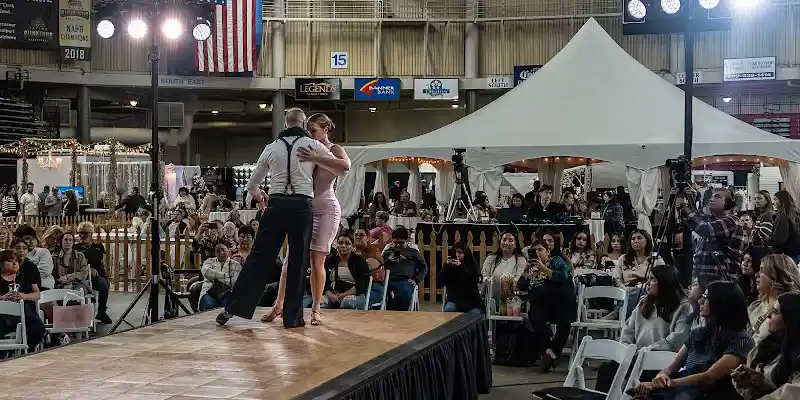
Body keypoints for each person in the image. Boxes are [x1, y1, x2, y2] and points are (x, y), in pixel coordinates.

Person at [216, 108, 344, 329]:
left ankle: (232, 308)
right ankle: (293, 319)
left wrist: (261, 197)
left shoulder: (271, 148)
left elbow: (252, 186)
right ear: (303, 124)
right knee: (298, 262)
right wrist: (316, 159)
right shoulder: (312, 145)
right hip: (302, 207)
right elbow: (341, 168)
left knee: (258, 258)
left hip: (276, 205)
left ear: (285, 124)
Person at [261, 113, 351, 326]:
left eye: (313, 131)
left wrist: (316, 158)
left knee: (317, 259)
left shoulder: (334, 149)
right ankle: (278, 305)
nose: (309, 135)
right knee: (290, 259)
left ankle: (317, 308)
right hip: (303, 208)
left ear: (325, 130)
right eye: (307, 130)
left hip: (326, 208)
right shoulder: (301, 146)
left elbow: (345, 166)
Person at [633, 281, 753, 399]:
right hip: (686, 393)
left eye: (706, 297)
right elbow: (672, 367)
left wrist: (668, 384)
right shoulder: (698, 333)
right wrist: (662, 376)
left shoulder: (742, 340)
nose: (700, 301)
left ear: (721, 303)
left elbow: (709, 377)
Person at [595, 264, 694, 393]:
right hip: (635, 356)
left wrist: (648, 350)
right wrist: (627, 347)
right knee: (607, 369)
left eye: (652, 279)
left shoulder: (683, 307)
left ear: (665, 282)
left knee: (643, 382)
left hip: (660, 361)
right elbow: (628, 329)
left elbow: (676, 340)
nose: (647, 284)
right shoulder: (644, 302)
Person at [732, 292, 800, 400]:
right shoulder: (766, 345)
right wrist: (754, 381)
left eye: (775, 312)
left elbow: (790, 394)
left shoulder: (797, 357)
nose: (768, 315)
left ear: (790, 319)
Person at [679, 187, 745, 291]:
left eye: (717, 197)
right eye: (711, 197)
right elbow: (697, 217)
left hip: (722, 282)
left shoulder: (732, 221)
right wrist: (690, 199)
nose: (711, 199)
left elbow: (704, 229)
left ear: (728, 203)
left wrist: (683, 207)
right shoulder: (713, 220)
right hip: (706, 280)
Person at [0, 248, 45, 352]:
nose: (14, 263)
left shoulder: (26, 276)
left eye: (16, 261)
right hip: (2, 315)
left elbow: (37, 295)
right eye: (10, 261)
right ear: (1, 264)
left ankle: (27, 350)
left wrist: (24, 296)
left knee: (38, 327)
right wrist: (3, 297)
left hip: (25, 313)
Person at [382, 226, 428, 311]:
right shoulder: (388, 251)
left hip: (405, 280)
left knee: (403, 293)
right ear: (392, 241)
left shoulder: (413, 252)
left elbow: (424, 268)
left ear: (407, 241)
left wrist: (416, 279)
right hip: (388, 279)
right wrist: (388, 261)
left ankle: (399, 314)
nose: (398, 245)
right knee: (381, 292)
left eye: (401, 243)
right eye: (395, 242)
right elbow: (380, 266)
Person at [440, 242, 483, 314]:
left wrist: (461, 267)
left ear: (466, 254)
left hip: (471, 301)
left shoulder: (472, 265)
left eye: (460, 253)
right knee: (449, 308)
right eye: (455, 253)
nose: (457, 255)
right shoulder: (450, 267)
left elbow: (472, 282)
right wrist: (445, 267)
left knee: (475, 313)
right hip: (454, 300)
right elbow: (440, 282)